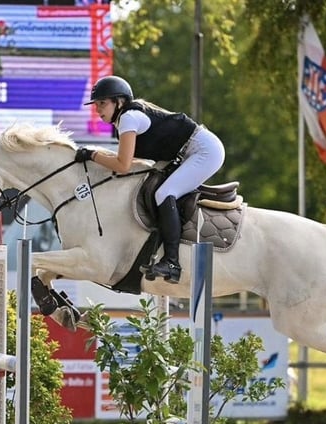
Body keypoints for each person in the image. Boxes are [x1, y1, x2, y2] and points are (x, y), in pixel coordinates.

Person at [77, 75, 225, 284]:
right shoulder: (125, 119)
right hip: (189, 153)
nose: (97, 109)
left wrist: (92, 155)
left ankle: (172, 262)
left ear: (119, 102)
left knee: (164, 193)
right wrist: (96, 155)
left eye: (102, 103)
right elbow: (131, 162)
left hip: (204, 151)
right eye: (96, 104)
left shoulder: (128, 118)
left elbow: (122, 165)